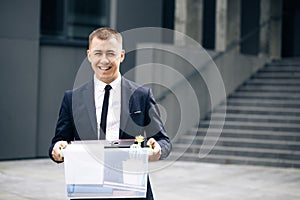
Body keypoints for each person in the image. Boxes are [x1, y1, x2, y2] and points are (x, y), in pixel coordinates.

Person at [49, 27, 172, 200]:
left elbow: (163, 140)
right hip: (87, 188)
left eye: (111, 53)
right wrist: (57, 149)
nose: (104, 60)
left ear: (121, 55)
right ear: (89, 55)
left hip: (132, 189)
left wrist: (157, 149)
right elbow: (58, 141)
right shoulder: (72, 98)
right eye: (98, 53)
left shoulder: (141, 96)